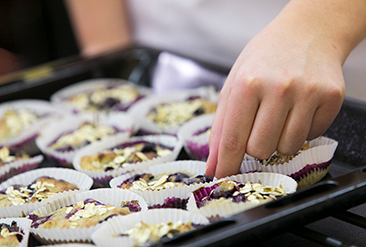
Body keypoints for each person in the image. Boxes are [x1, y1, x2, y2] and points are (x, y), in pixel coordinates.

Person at [66, 0, 366, 178]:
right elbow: (107, 47)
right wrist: (109, 54)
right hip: (160, 61)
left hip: (340, 59)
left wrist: (315, 26)